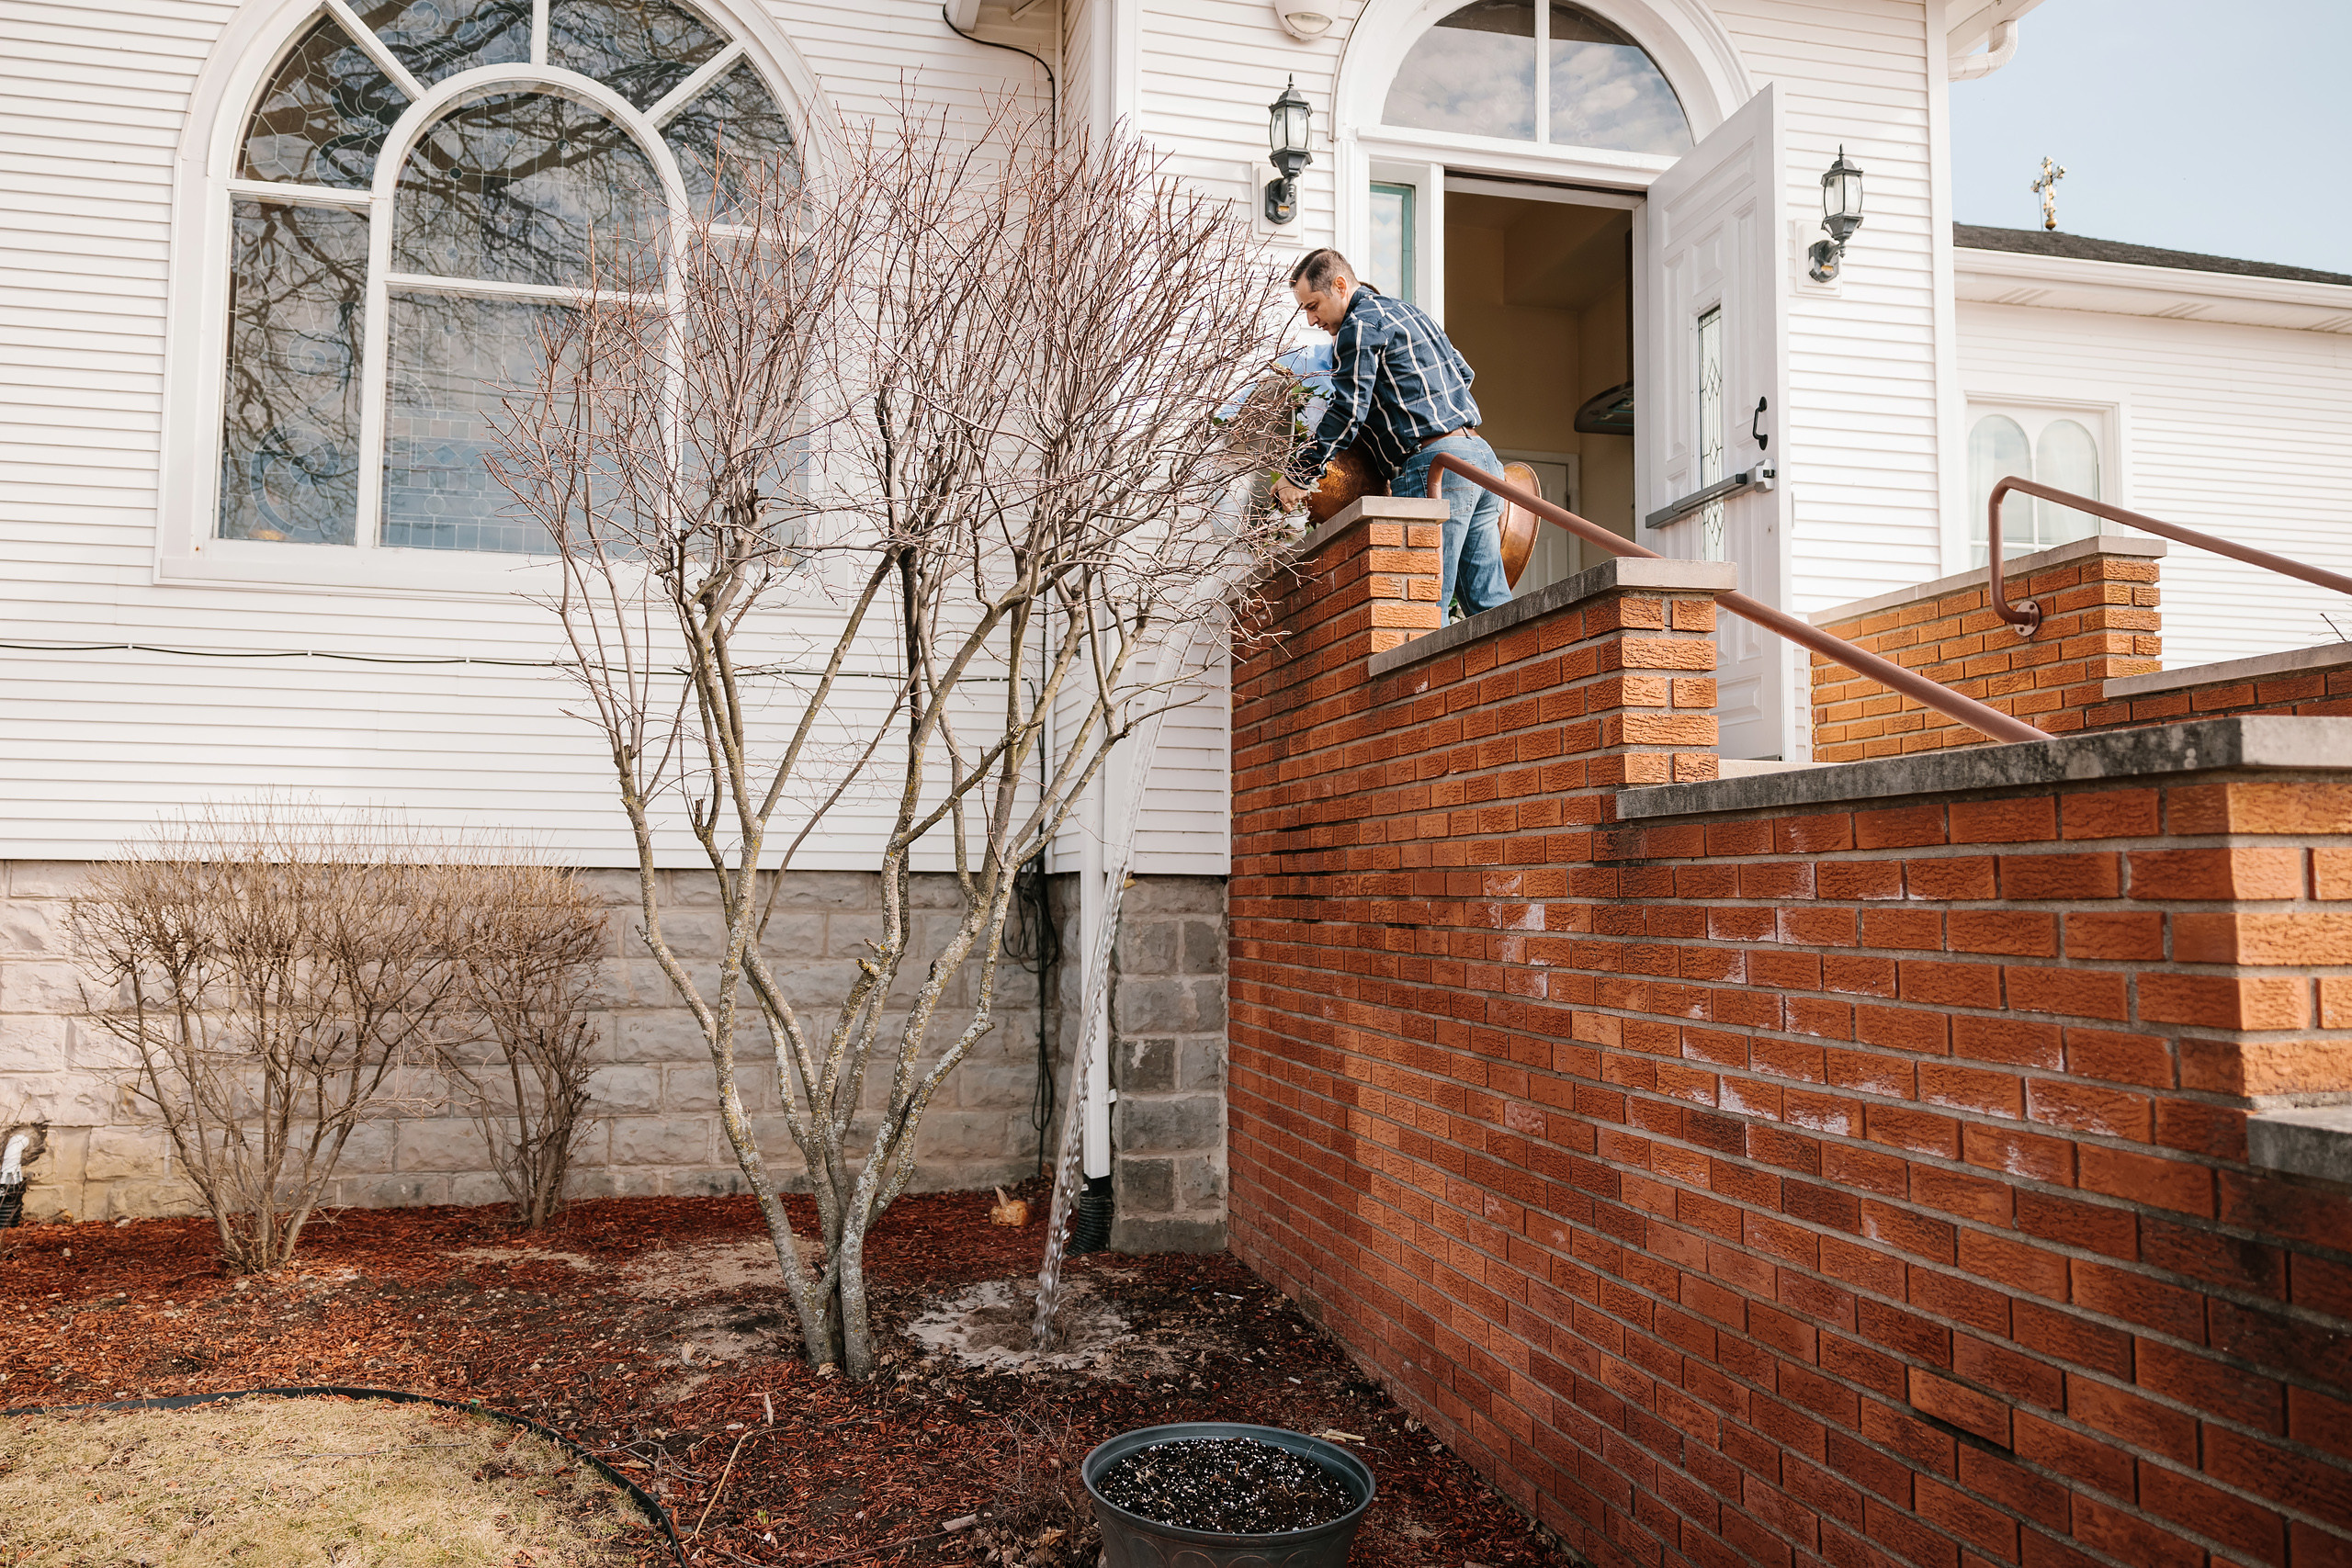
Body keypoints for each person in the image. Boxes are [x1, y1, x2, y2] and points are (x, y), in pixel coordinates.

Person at [1272, 247, 1510, 617]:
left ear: (1340, 285)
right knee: (1490, 608)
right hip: (1481, 458)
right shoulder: (1412, 313)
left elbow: (1348, 410)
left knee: (1420, 607)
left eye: (1314, 305)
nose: (1311, 318)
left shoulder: (1359, 324)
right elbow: (1463, 373)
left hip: (1436, 468)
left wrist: (1299, 474)